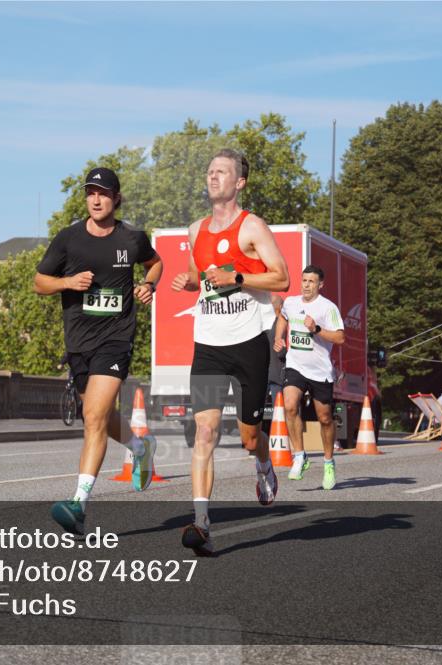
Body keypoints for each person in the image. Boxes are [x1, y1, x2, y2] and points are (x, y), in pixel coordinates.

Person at [170, 148, 290, 556]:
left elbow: (281, 277)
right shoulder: (194, 230)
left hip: (248, 343)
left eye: (222, 172)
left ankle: (263, 464)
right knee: (204, 432)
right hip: (208, 345)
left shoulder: (252, 227)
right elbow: (204, 279)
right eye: (209, 171)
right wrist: (190, 282)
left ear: (239, 182)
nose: (213, 177)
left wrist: (236, 276)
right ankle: (201, 522)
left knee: (248, 435)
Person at [35, 167, 163, 535]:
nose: (96, 199)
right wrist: (67, 282)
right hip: (78, 343)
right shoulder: (68, 239)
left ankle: (79, 503)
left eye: (103, 193)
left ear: (116, 198)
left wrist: (148, 285)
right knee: (100, 417)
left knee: (93, 416)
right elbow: (39, 282)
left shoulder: (132, 239)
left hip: (115, 339)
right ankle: (141, 447)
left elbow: (154, 264)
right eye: (91, 192)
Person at [273, 265, 345, 484]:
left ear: (320, 285)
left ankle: (328, 463)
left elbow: (340, 338)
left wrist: (316, 330)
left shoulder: (327, 308)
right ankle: (299, 455)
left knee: (324, 418)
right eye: (304, 280)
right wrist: (279, 337)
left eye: (311, 281)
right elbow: (283, 317)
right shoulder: (292, 303)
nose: (306, 285)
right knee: (290, 405)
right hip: (296, 365)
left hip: (320, 370)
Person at [266, 295, 287, 404]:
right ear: (280, 307)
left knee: (257, 413)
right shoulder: (280, 326)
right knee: (278, 412)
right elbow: (281, 352)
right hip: (277, 375)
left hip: (263, 374)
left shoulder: (263, 325)